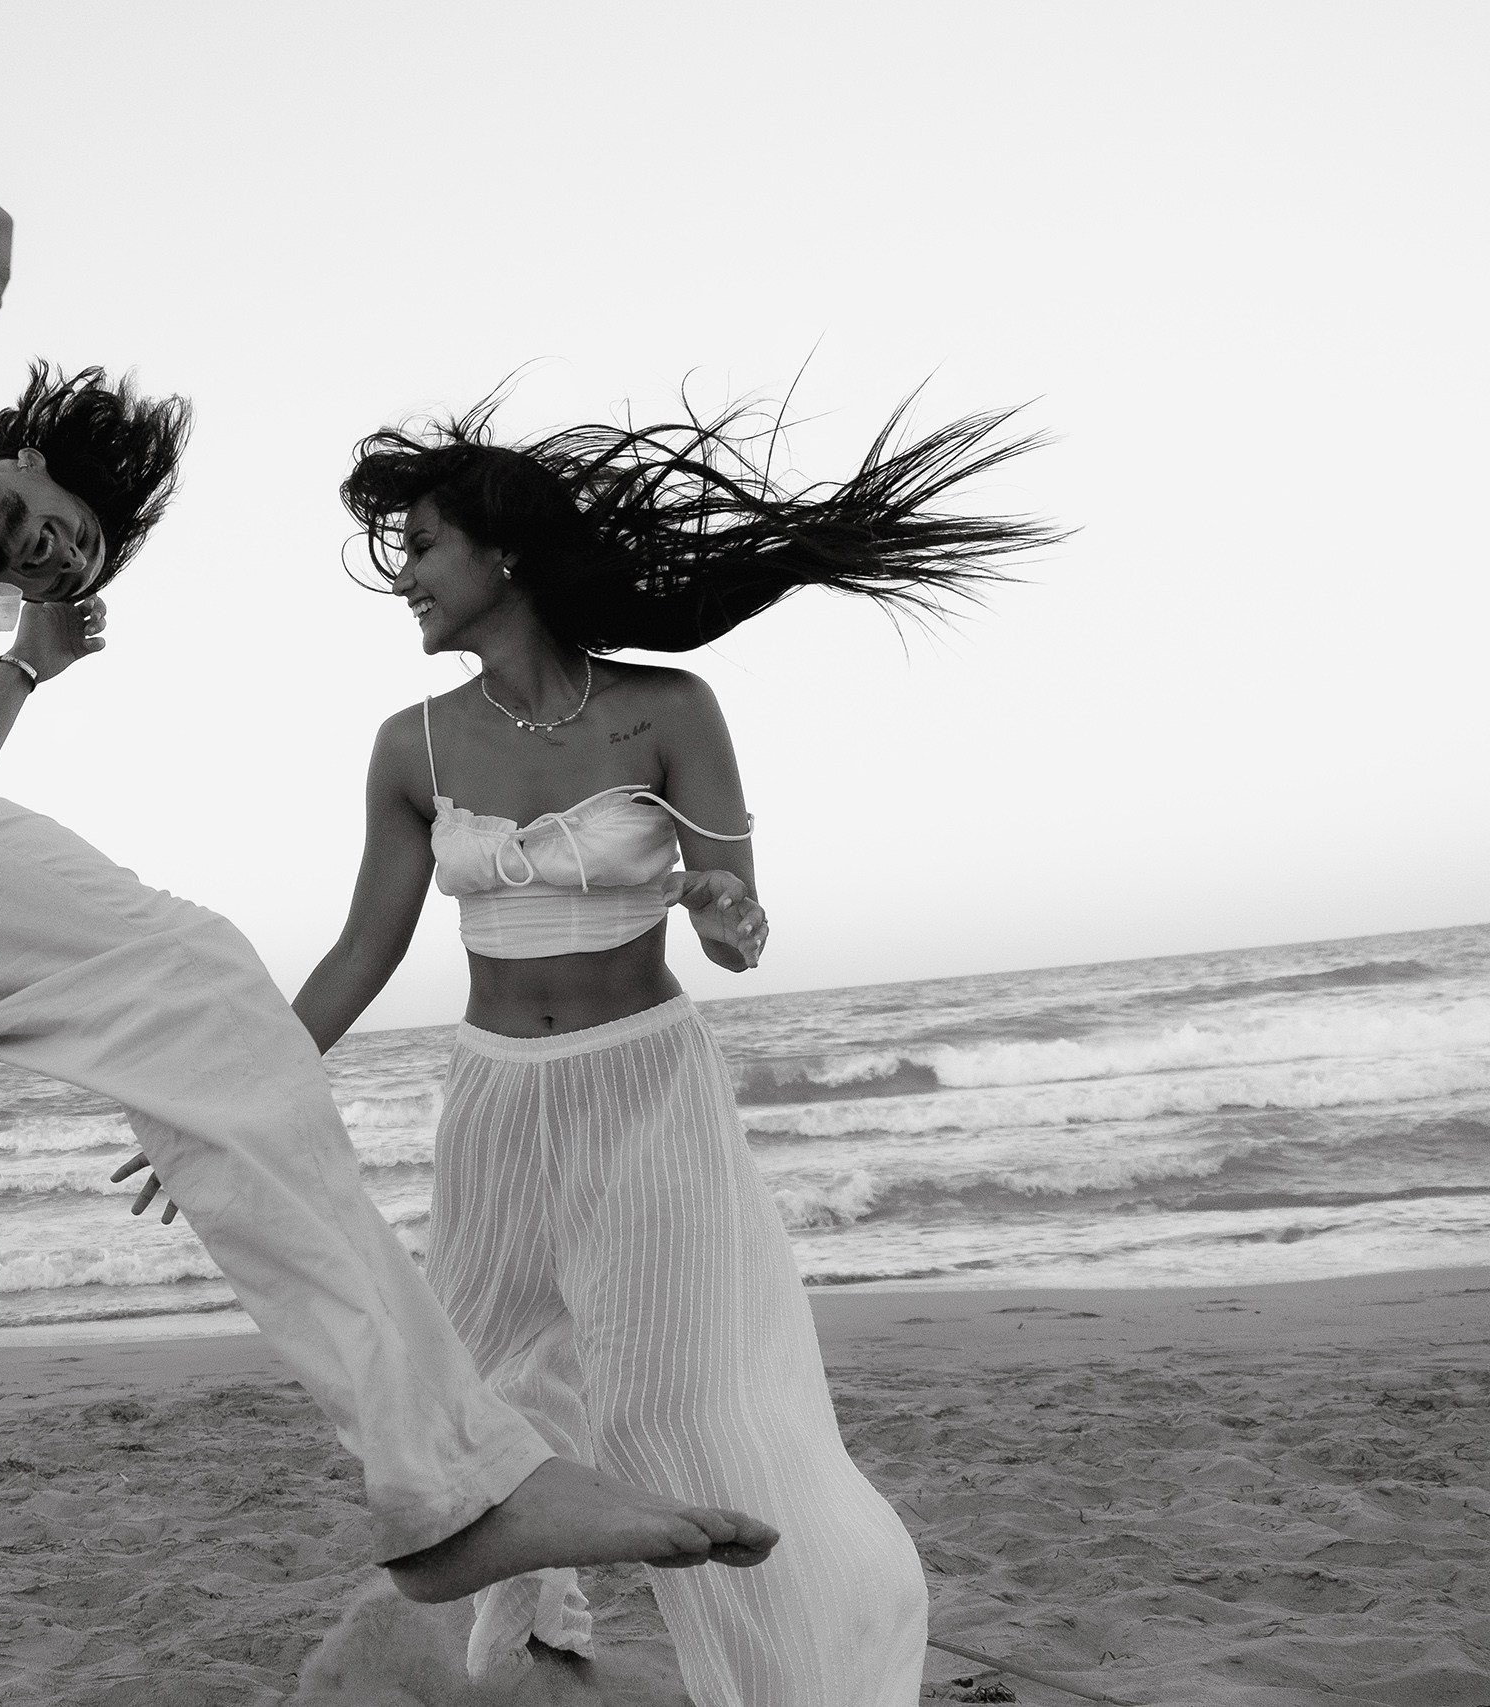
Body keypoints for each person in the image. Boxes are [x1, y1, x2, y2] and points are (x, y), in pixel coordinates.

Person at [0, 123, 779, 1707]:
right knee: (197, 978)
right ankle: (453, 1484)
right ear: (3, 449)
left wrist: (16, 672)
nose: (45, 547)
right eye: (44, 513)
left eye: (74, 554)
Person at [120, 395, 1056, 1702]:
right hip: (499, 1107)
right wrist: (225, 1097)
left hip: (649, 1091)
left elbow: (740, 923)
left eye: (425, 546)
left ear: (502, 555)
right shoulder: (413, 745)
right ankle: (538, 1640)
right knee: (470, 1396)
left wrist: (728, 912)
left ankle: (795, 1669)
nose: (405, 578)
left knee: (691, 1412)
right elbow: (360, 953)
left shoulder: (670, 709)